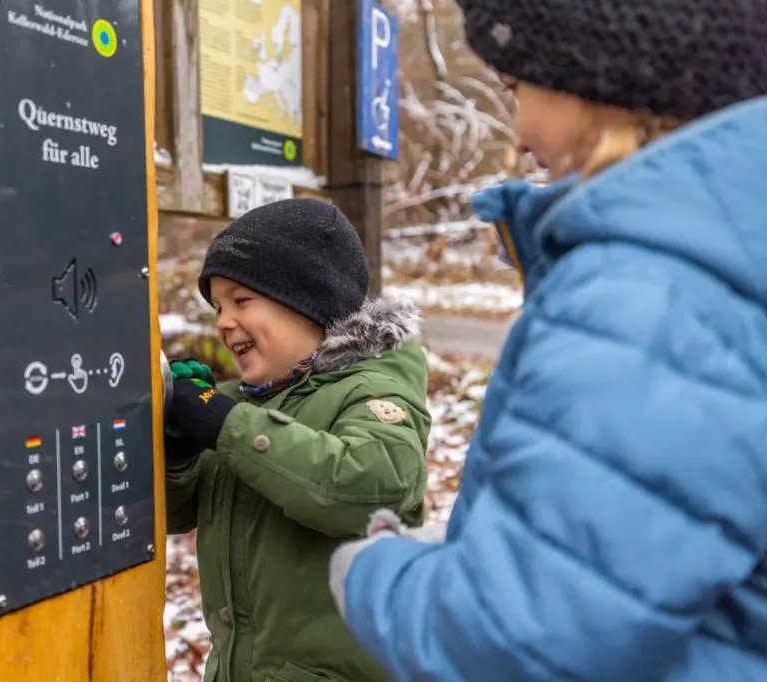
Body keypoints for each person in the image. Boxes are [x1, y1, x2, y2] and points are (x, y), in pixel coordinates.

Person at [327, 1, 767, 681]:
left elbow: (517, 641)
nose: (520, 131)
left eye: (521, 87)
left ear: (609, 85)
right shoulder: (725, 258)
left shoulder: (646, 291)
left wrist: (374, 570)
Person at [163, 197, 432, 682]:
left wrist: (224, 425)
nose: (223, 321)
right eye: (218, 306)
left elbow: (371, 487)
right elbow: (175, 516)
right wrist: (179, 451)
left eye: (242, 300)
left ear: (309, 303)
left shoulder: (372, 391)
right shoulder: (246, 405)